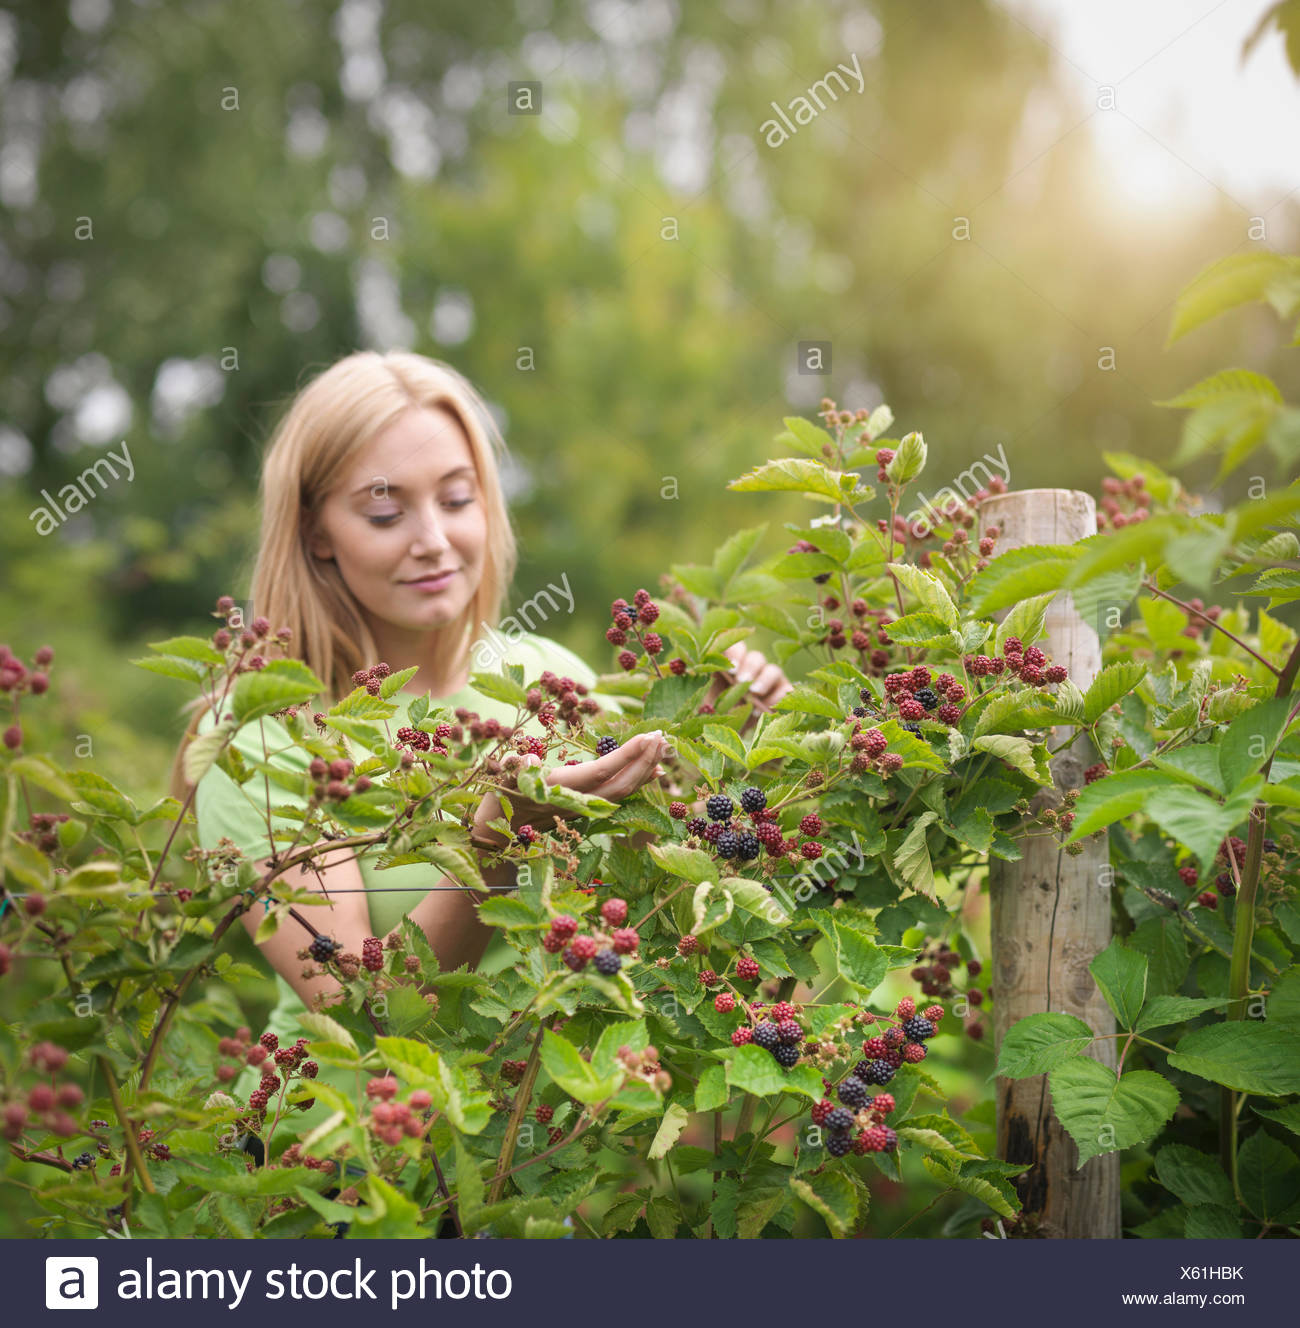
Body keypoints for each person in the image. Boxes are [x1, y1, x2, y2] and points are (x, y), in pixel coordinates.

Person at [169, 350, 792, 1133]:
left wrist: (723, 741)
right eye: (386, 513)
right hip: (350, 1174)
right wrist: (493, 850)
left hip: (529, 1160)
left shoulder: (546, 679)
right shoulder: (265, 734)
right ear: (316, 533)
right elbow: (372, 1016)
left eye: (457, 499)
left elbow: (665, 882)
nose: (433, 539)